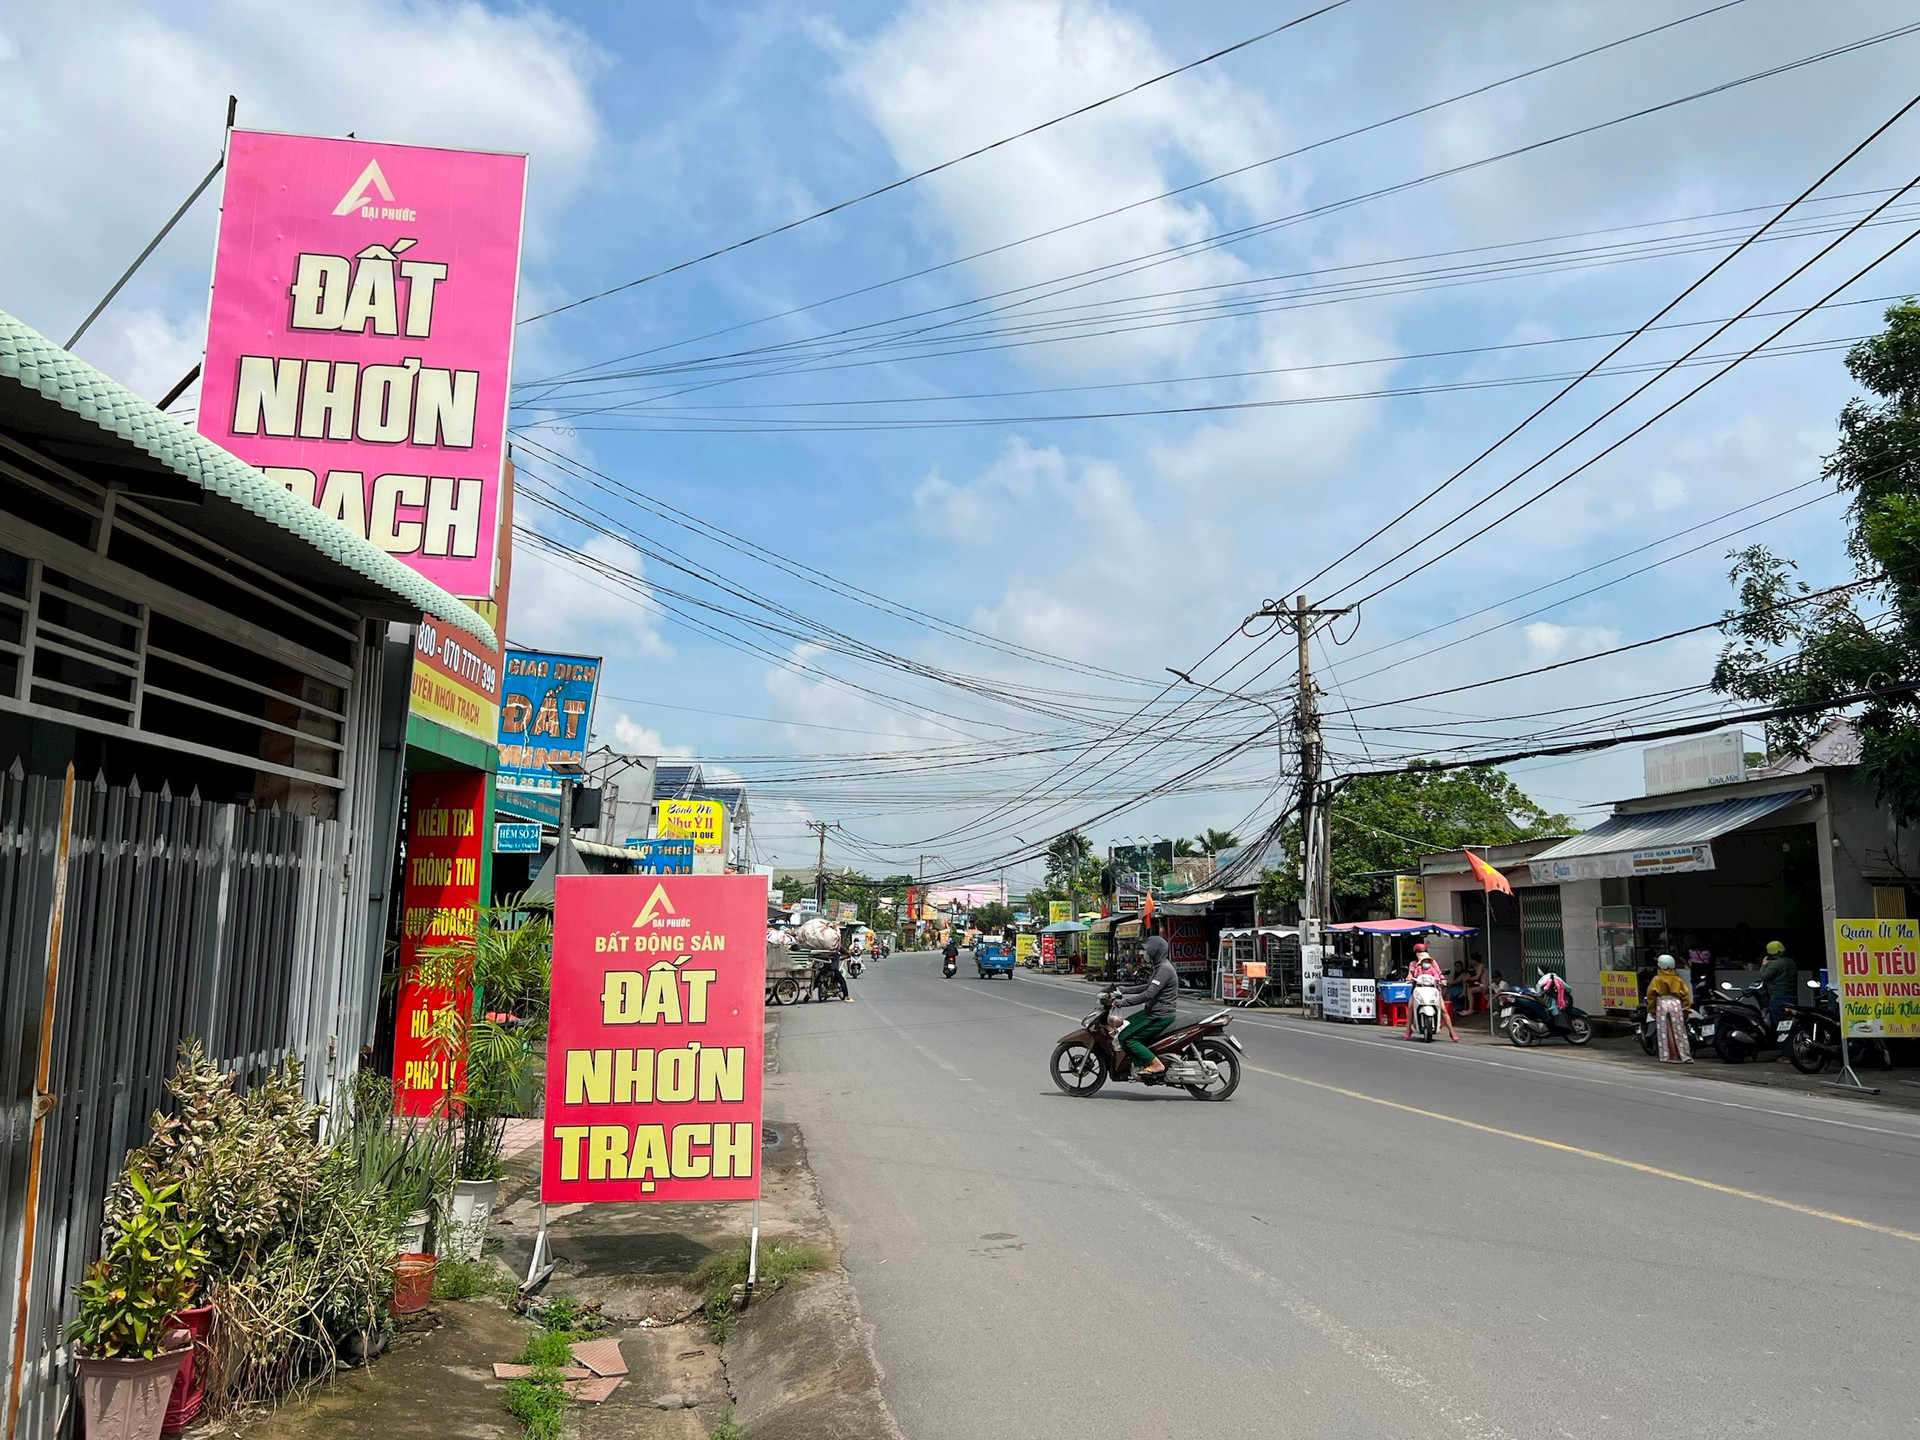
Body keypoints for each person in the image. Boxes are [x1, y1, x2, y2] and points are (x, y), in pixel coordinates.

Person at [1112, 918, 1178, 1077]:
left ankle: (1155, 1064)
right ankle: (1138, 1062)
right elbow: (1147, 986)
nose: (1145, 953)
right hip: (1152, 1012)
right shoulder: (1159, 967)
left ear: (1156, 951)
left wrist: (1123, 1002)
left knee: (1126, 1037)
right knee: (1126, 1024)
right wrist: (1123, 989)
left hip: (1159, 1015)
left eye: (1148, 950)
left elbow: (1149, 994)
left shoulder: (1164, 969)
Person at [1404, 942, 1460, 1042]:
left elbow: (1438, 973)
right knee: (1411, 1007)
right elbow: (1411, 974)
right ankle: (1408, 1030)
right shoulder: (1414, 965)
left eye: (1423, 951)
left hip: (1433, 989)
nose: (1421, 953)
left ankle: (1452, 1032)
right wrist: (1409, 978)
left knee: (1443, 1009)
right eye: (1419, 951)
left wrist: (1442, 980)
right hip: (1418, 989)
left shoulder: (1432, 963)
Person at [1645, 953, 1693, 1063]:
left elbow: (1651, 996)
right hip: (1676, 1003)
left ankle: (1671, 1056)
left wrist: (1651, 1009)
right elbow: (1685, 995)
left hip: (1662, 1003)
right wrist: (1686, 1008)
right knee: (1679, 1030)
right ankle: (1684, 1055)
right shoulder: (1677, 979)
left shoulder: (1657, 979)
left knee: (1665, 1030)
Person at [1759, 940, 1798, 1027]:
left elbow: (1764, 976)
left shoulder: (1775, 964)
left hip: (1778, 996)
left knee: (1780, 1023)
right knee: (1792, 1021)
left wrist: (1764, 965)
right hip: (1792, 996)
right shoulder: (1791, 962)